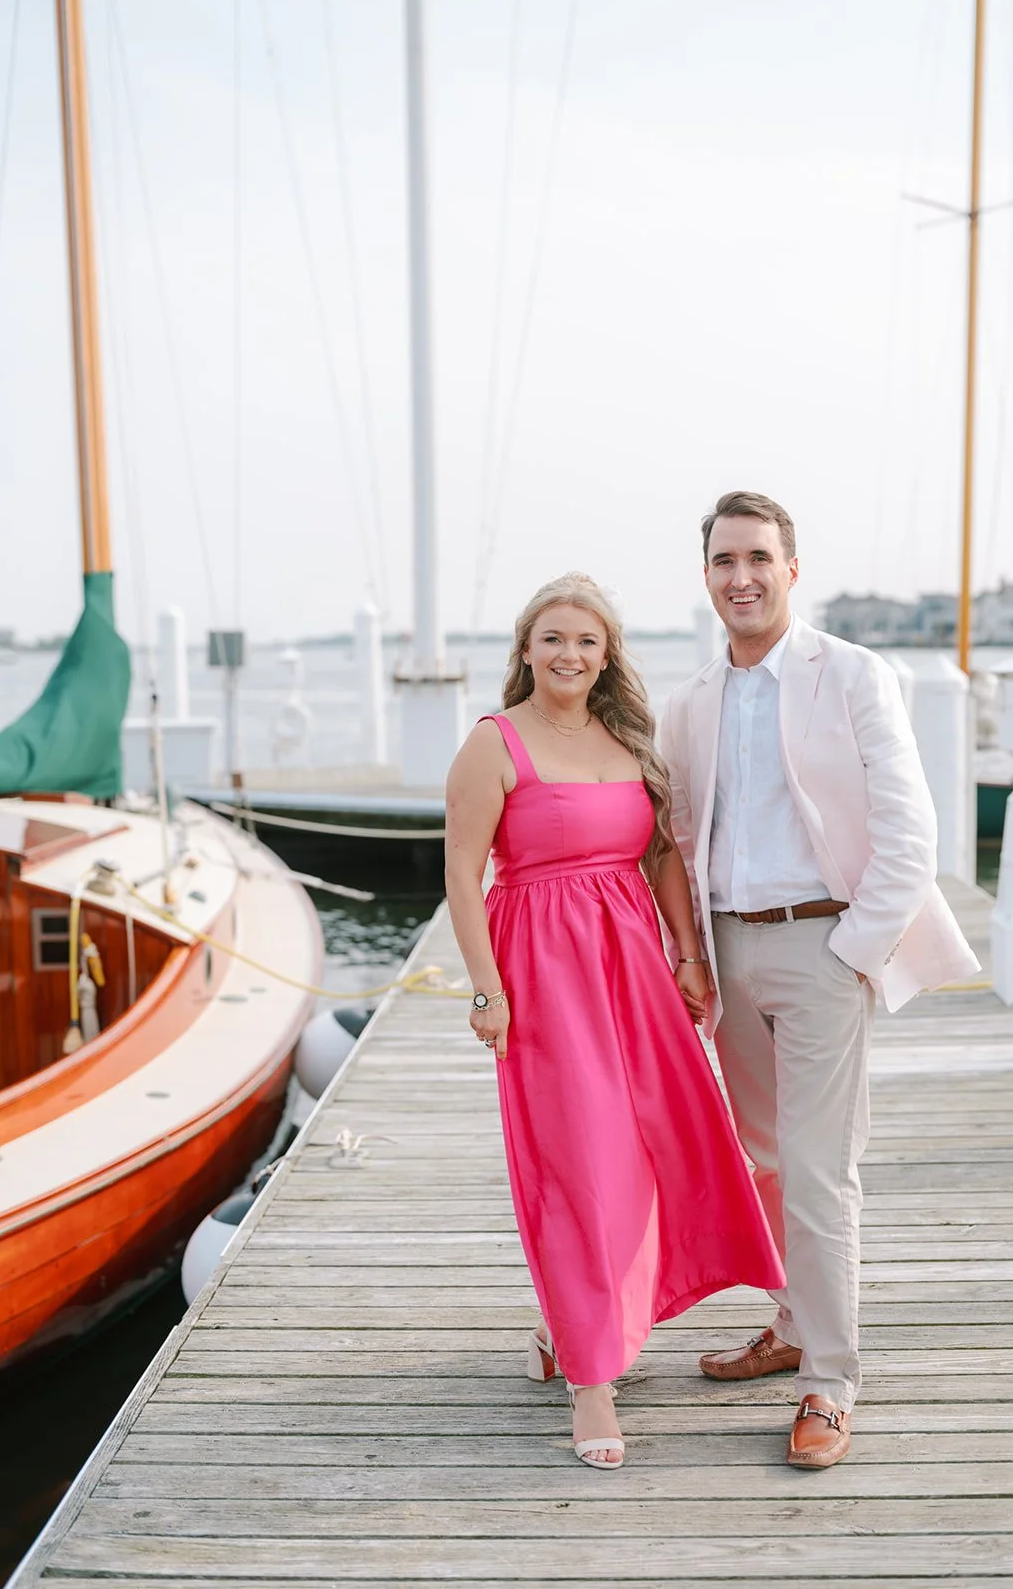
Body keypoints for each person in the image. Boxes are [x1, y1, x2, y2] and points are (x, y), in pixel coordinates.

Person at [659, 492, 979, 1470]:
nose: (742, 576)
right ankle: (791, 1322)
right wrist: (691, 956)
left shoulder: (851, 676)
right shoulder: (690, 701)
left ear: (792, 570)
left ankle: (830, 1383)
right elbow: (676, 836)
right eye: (724, 560)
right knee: (760, 1158)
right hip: (727, 950)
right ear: (706, 575)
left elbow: (908, 833)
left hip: (824, 947)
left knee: (817, 1167)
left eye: (759, 557)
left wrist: (854, 953)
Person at [444, 572, 785, 1472]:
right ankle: (592, 1381)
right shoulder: (495, 742)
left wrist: (689, 955)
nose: (569, 655)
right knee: (581, 1160)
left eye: (587, 642)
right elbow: (461, 875)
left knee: (660, 1148)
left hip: (634, 965)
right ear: (525, 648)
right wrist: (487, 989)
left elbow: (663, 854)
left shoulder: (630, 736)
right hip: (545, 970)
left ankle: (573, 1330)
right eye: (553, 638)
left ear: (608, 656)